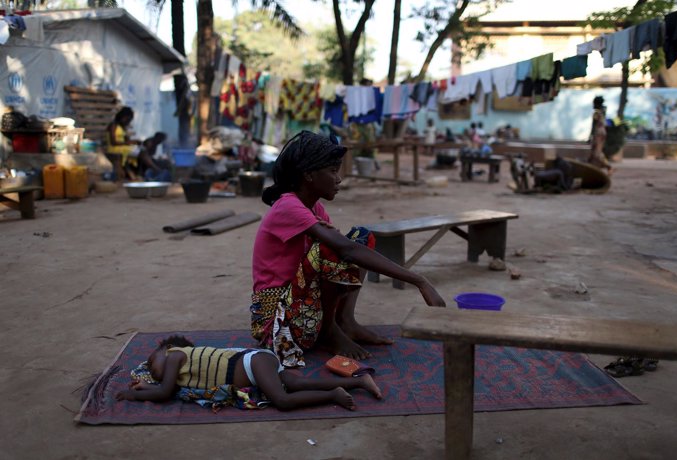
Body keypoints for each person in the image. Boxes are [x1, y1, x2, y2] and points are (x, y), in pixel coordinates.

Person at [250, 131, 446, 368]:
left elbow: (351, 250)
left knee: (361, 237)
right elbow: (345, 250)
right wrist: (419, 281)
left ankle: (345, 321)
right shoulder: (288, 206)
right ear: (309, 175)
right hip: (277, 326)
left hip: (300, 313)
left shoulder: (315, 209)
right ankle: (328, 331)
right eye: (332, 171)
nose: (339, 179)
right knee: (335, 248)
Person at [115, 335, 382, 411]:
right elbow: (168, 390)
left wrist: (131, 394)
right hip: (258, 367)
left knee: (283, 400)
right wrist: (146, 387)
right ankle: (358, 382)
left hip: (251, 363)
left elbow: (163, 393)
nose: (152, 369)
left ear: (168, 349)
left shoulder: (175, 356)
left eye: (151, 363)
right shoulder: (180, 372)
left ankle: (334, 395)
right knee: (299, 385)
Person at [105, 106, 140, 180]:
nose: (128, 121)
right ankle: (135, 174)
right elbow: (113, 142)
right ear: (122, 116)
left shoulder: (122, 127)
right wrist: (129, 142)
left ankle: (134, 175)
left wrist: (131, 141)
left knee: (140, 151)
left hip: (122, 148)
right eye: (127, 119)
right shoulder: (113, 125)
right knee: (140, 153)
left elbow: (126, 140)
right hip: (113, 148)